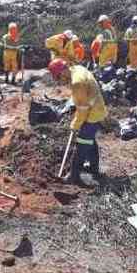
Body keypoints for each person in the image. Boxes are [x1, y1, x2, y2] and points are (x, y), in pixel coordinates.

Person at [48, 58, 107, 186]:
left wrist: (75, 124)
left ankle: (73, 176)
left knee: (82, 143)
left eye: (58, 76)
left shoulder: (77, 83)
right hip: (96, 108)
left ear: (63, 71)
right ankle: (93, 167)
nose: (59, 80)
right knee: (89, 140)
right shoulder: (77, 69)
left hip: (92, 114)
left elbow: (83, 110)